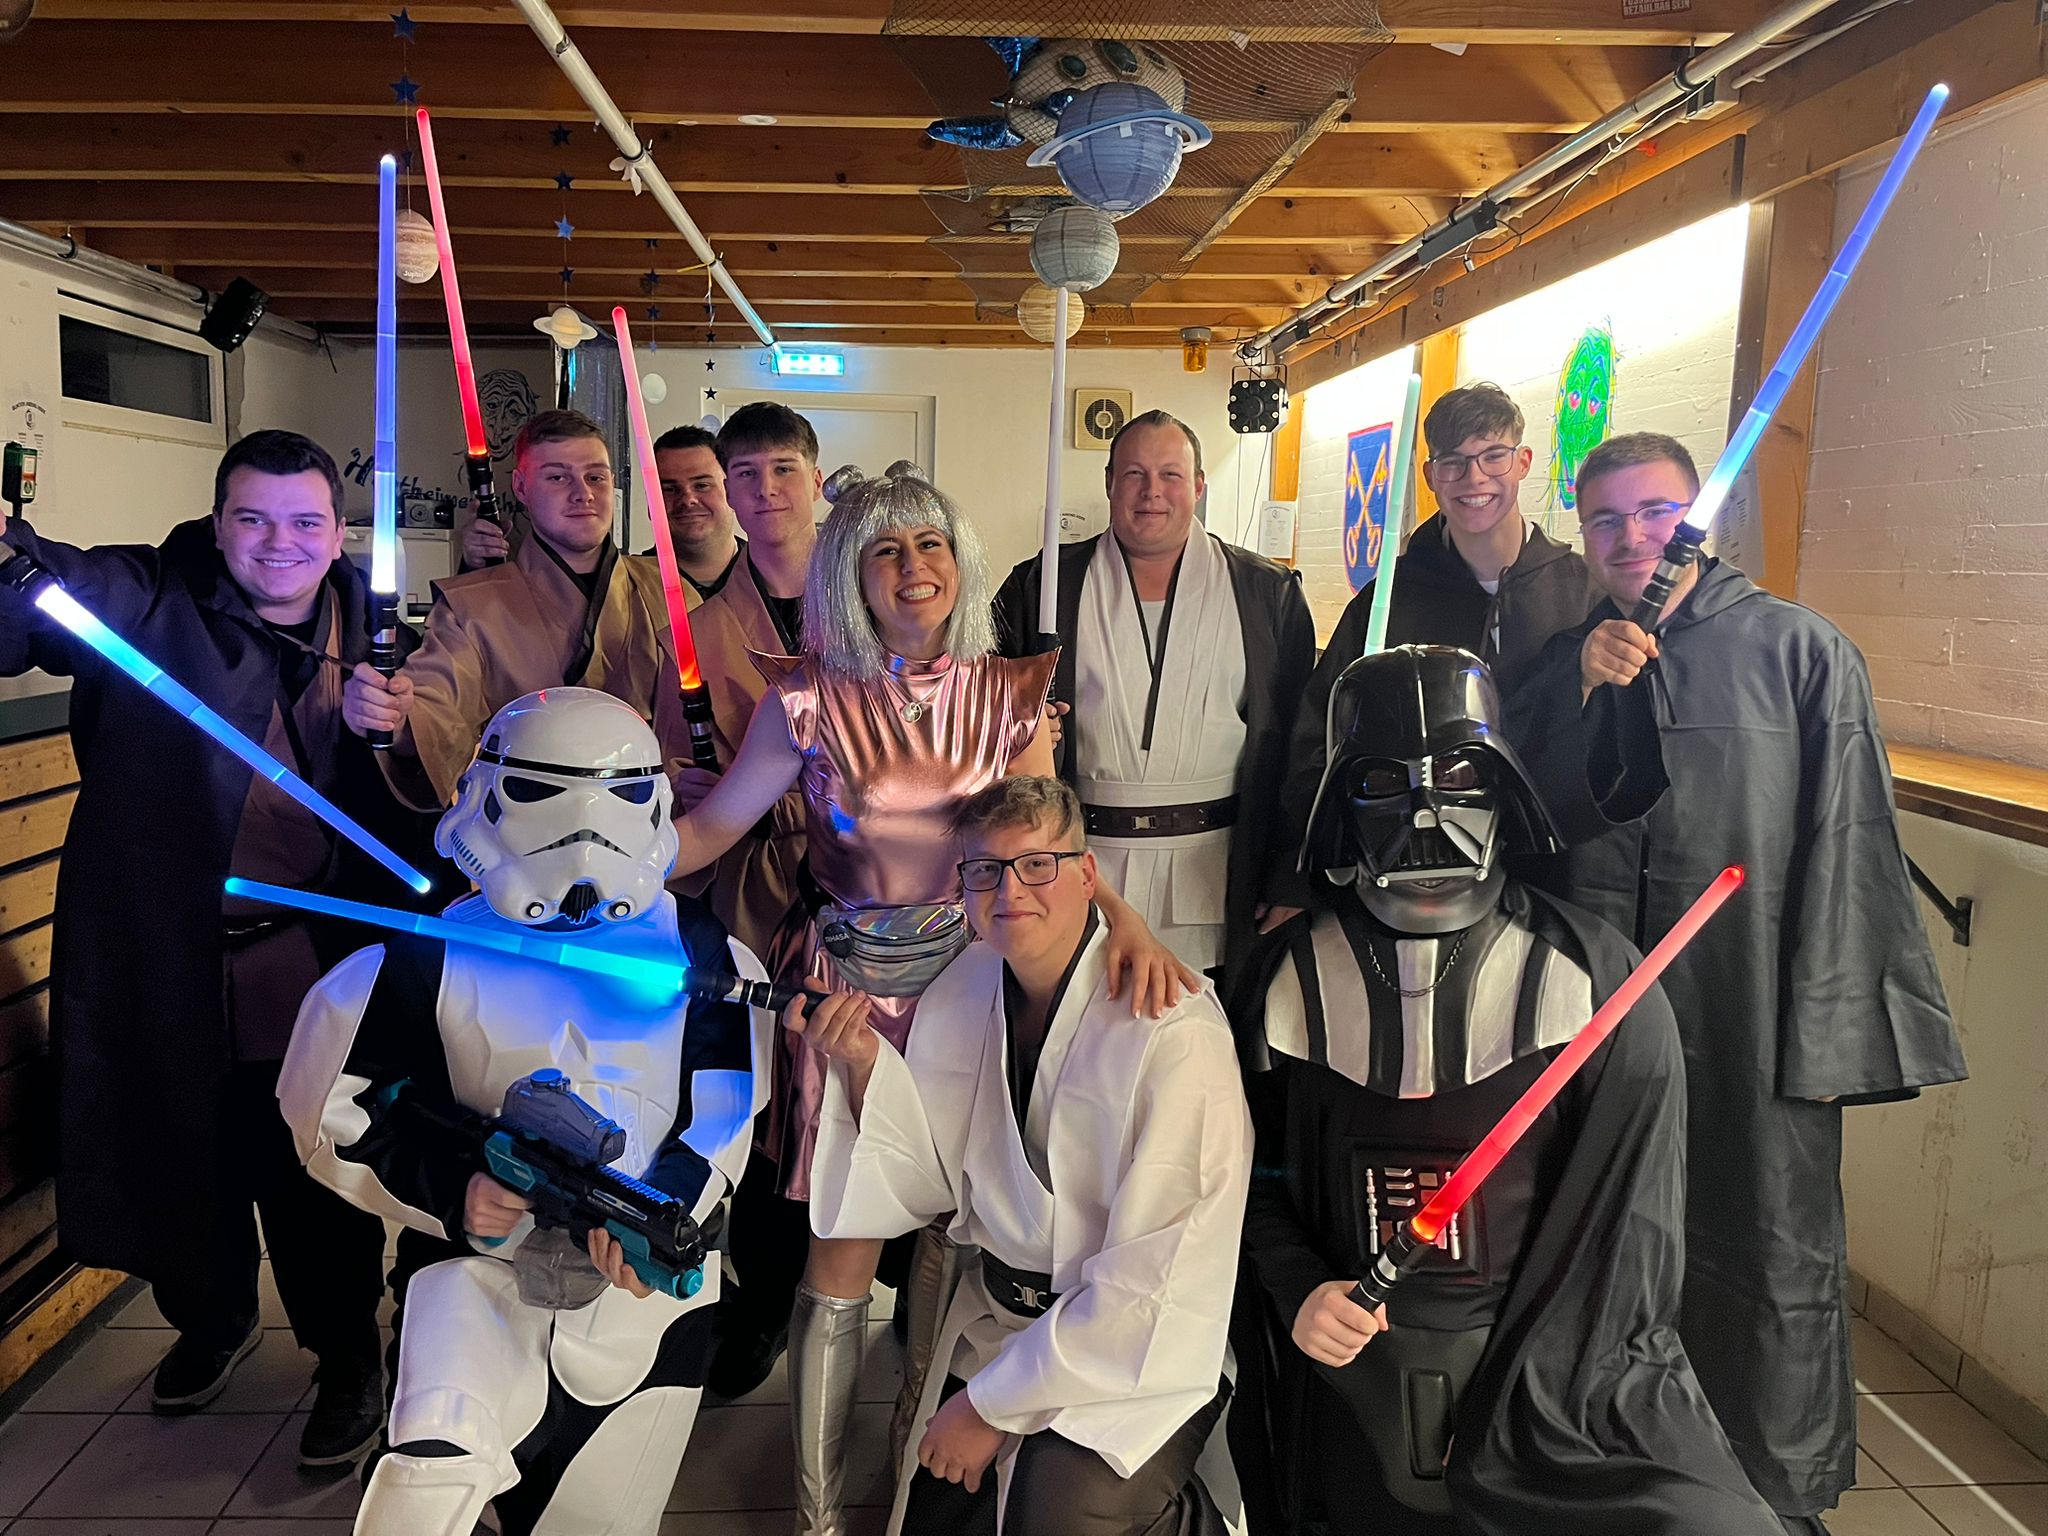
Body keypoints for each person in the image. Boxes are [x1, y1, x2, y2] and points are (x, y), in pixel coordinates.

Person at [661, 462, 1195, 1536]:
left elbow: (1047, 844)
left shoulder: (1008, 695)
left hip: (968, 995)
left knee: (955, 1252)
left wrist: (1126, 921)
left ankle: (912, 1494)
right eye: (886, 550)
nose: (914, 568)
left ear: (961, 560)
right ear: (848, 577)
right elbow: (711, 829)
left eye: (931, 543)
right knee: (843, 1254)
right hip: (847, 998)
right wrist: (575, 873)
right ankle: (817, 1523)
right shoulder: (807, 698)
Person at [1505, 432, 1968, 1533]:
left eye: (1654, 512)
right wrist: (1573, 689)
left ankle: (1768, 1488)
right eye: (1605, 518)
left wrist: (1827, 1036)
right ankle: (1595, 1470)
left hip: (1747, 1008)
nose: (1630, 537)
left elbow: (1849, 846)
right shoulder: (1559, 659)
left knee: (1756, 1246)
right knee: (1591, 1232)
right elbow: (1520, 825)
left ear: (1698, 520)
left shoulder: (1799, 653)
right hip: (1597, 1015)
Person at [1235, 643, 1781, 1536]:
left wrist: (1541, 1375)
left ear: (1500, 782)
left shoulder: (1597, 982)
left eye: (1455, 772)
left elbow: (1629, 1238)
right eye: (1384, 781)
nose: (1425, 810)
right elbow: (1240, 1176)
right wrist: (1298, 1289)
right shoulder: (1279, 984)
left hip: (1551, 1382)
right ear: (1340, 798)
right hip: (1338, 1369)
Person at [0, 431, 430, 1465]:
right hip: (165, 951)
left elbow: (440, 783)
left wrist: (400, 723)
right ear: (218, 521)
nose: (279, 543)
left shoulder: (381, 633)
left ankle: (347, 1357)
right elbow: (46, 598)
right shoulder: (152, 598)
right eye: (253, 518)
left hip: (309, 956)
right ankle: (213, 1320)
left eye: (305, 521)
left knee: (311, 1162)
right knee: (181, 1148)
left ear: (338, 532)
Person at [278, 687, 766, 1534]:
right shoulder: (417, 960)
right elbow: (332, 1114)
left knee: (597, 1521)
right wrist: (452, 1189)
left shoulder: (708, 960)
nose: (584, 835)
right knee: (425, 1490)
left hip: (640, 1309)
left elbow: (721, 1120)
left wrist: (662, 1212)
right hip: (470, 1278)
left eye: (613, 799)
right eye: (546, 793)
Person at [795, 775, 1250, 1536]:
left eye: (1038, 864)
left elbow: (1163, 1276)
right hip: (1002, 1324)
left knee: (1054, 1515)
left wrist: (987, 1408)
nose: (1010, 891)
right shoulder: (965, 986)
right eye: (985, 870)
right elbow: (926, 1176)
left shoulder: (1172, 1025)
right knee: (934, 1521)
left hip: (1132, 1349)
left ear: (1087, 875)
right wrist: (865, 1064)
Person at [994, 408, 1315, 984]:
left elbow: (1303, 739)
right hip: (1081, 864)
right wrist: (1027, 728)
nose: (1152, 492)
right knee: (1085, 1025)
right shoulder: (1041, 586)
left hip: (1221, 868)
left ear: (1198, 486)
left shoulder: (1266, 593)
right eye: (1134, 475)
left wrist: (1291, 873)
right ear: (1109, 483)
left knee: (1212, 1030)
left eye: (1171, 475)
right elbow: (987, 718)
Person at [1274, 382, 1595, 902]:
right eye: (1453, 462)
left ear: (1523, 462)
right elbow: (1317, 742)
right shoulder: (1388, 600)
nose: (1475, 478)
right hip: (1414, 873)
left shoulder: (1582, 592)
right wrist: (1300, 878)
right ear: (1430, 476)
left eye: (1493, 456)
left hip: (1550, 873)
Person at [681, 401, 825, 1399]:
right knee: (768, 1107)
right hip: (754, 886)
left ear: (816, 477)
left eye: (782, 469)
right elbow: (676, 774)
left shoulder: (868, 597)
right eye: (746, 474)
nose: (765, 490)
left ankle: (899, 1283)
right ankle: (763, 1299)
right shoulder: (695, 630)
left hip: (871, 889)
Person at [340, 409, 694, 811]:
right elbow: (434, 705)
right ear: (521, 487)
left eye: (596, 476)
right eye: (558, 477)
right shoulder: (471, 605)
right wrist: (396, 716)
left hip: (646, 817)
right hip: (520, 819)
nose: (583, 493)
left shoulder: (670, 591)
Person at [645, 423, 743, 599]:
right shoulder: (625, 586)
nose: (687, 499)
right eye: (669, 489)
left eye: (702, 485)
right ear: (650, 502)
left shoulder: (772, 578)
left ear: (731, 491)